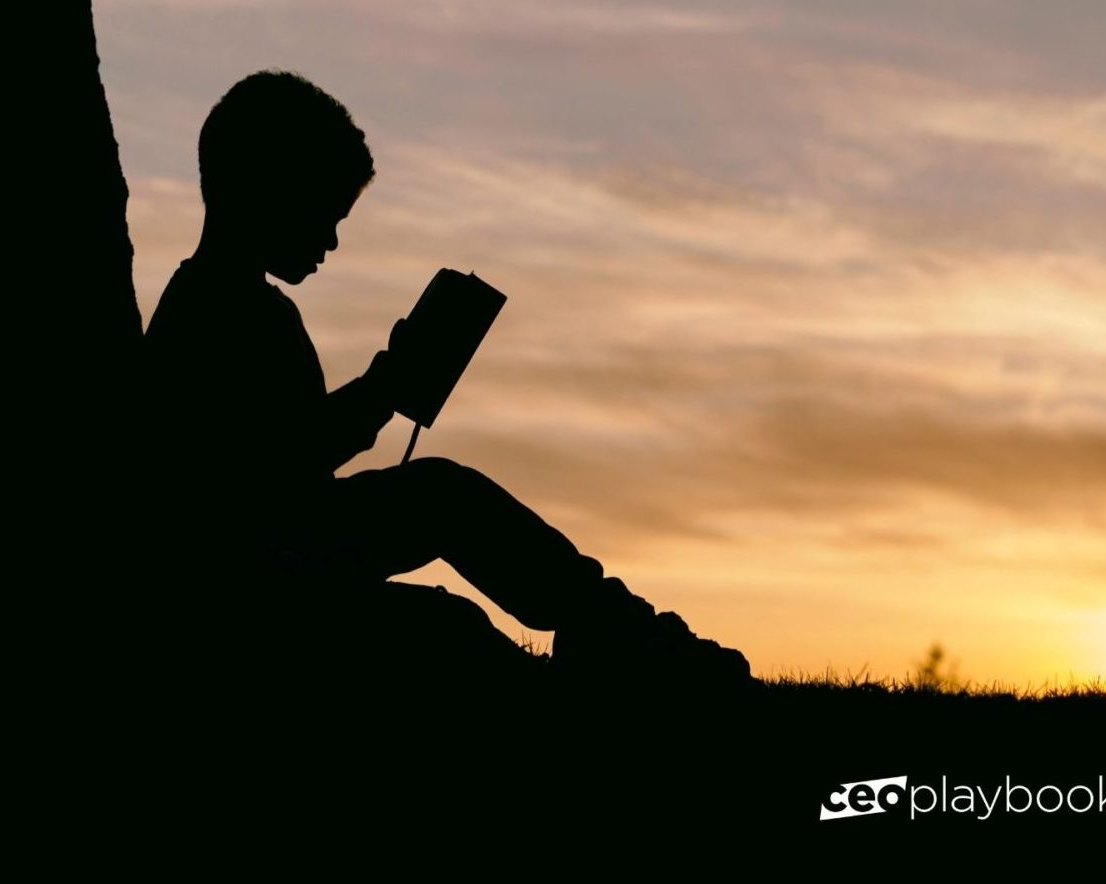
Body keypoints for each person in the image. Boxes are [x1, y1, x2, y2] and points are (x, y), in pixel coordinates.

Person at [141, 69, 750, 686]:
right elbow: (266, 474)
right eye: (322, 213)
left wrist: (386, 383)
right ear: (267, 189)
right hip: (250, 578)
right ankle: (621, 652)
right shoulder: (209, 311)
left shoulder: (248, 304)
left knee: (443, 493)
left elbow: (295, 454)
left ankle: (617, 629)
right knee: (448, 622)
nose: (329, 241)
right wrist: (385, 386)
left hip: (288, 544)